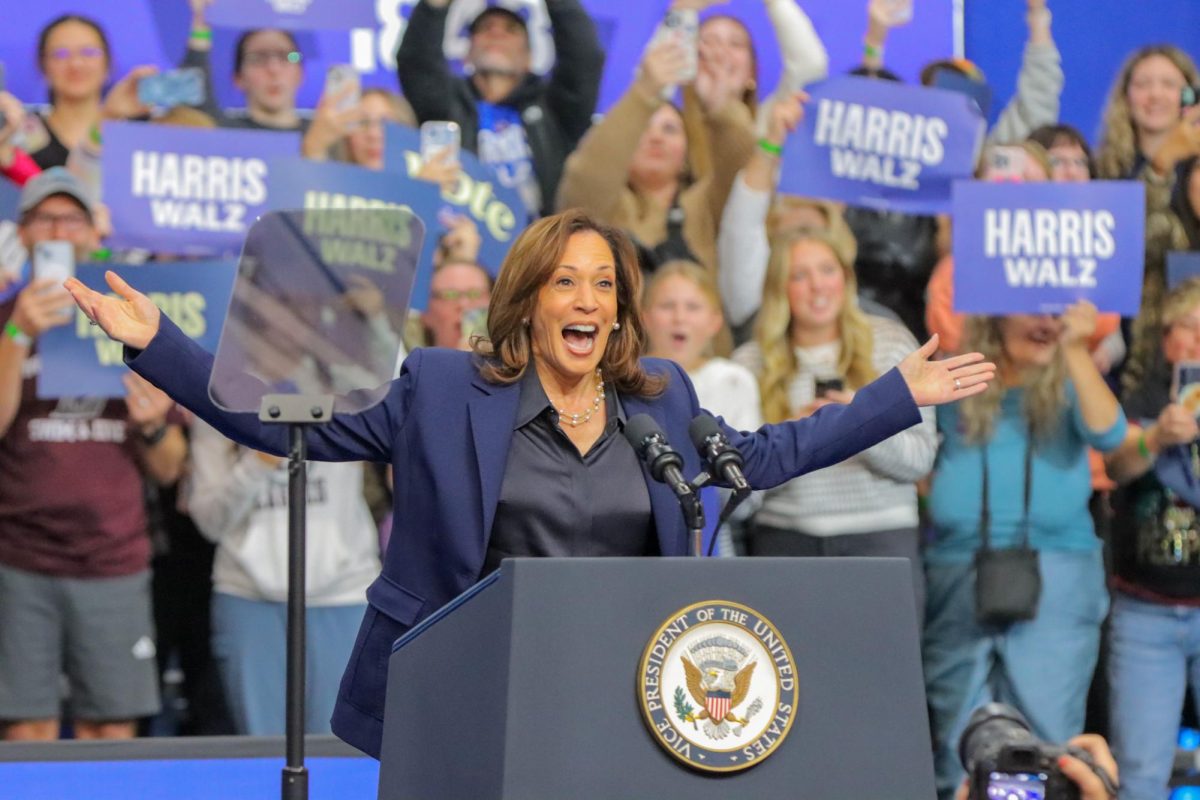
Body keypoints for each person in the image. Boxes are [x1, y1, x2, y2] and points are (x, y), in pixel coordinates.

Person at [66, 208, 994, 757]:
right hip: (466, 692)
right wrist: (157, 343)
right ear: (529, 299)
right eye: (564, 283)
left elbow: (760, 459)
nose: (585, 300)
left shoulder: (660, 397)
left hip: (618, 695)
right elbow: (280, 415)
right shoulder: (438, 390)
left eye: (602, 285)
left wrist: (891, 397)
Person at [0, 168, 187, 740]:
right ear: (24, 232)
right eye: (45, 218)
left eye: (72, 218)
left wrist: (155, 427)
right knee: (24, 734)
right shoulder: (6, 316)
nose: (59, 229)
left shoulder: (131, 322)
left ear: (90, 234)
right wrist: (14, 335)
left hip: (113, 558)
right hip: (19, 559)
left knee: (111, 731)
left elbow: (171, 467)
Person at [922, 302, 1126, 799]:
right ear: (993, 312)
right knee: (958, 756)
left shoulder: (1074, 373)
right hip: (958, 578)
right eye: (1031, 308)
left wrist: (1075, 348)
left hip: (1057, 584)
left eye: (1056, 312)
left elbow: (1110, 434)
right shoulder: (958, 375)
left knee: (1048, 758)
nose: (1046, 321)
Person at [733, 230, 936, 610]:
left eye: (827, 270)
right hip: (786, 544)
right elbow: (739, 491)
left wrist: (859, 423)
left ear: (846, 278)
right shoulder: (750, 363)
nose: (816, 287)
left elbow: (919, 461)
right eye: (799, 276)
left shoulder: (891, 345)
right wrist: (796, 438)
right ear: (780, 289)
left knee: (885, 669)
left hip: (880, 541)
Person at [186, 418, 380, 736]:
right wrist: (260, 459)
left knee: (340, 748)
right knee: (263, 751)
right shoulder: (216, 400)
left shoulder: (344, 383)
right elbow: (209, 521)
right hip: (248, 600)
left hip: (343, 596)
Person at [1102, 278, 1200, 800]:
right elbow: (1116, 466)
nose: (1194, 341)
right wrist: (1157, 436)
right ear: (1164, 340)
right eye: (1184, 328)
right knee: (1140, 774)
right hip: (1145, 611)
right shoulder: (1138, 400)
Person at [555, 35, 755, 274]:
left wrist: (722, 109)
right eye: (644, 129)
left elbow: (746, 180)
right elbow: (587, 177)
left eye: (670, 129)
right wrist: (644, 91)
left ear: (687, 153)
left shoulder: (706, 206)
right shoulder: (606, 208)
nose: (656, 137)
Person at [397, 0, 604, 218]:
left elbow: (584, 60)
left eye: (511, 30)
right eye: (485, 29)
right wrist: (433, 6)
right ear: (467, 52)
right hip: (462, 243)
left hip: (543, 245)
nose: (496, 33)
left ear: (529, 57)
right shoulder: (447, 104)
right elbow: (417, 62)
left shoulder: (556, 109)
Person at [1095, 45, 1200, 391]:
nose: (1155, 94)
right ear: (1126, 95)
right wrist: (1161, 163)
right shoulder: (1104, 172)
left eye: (1168, 84)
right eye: (1143, 84)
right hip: (1125, 357)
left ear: (1189, 95)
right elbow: (1128, 243)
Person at [184, 0, 308, 131]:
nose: (273, 69)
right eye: (258, 58)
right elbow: (194, 102)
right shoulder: (224, 133)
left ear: (300, 74)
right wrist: (201, 20)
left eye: (286, 57)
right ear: (238, 78)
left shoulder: (324, 135)